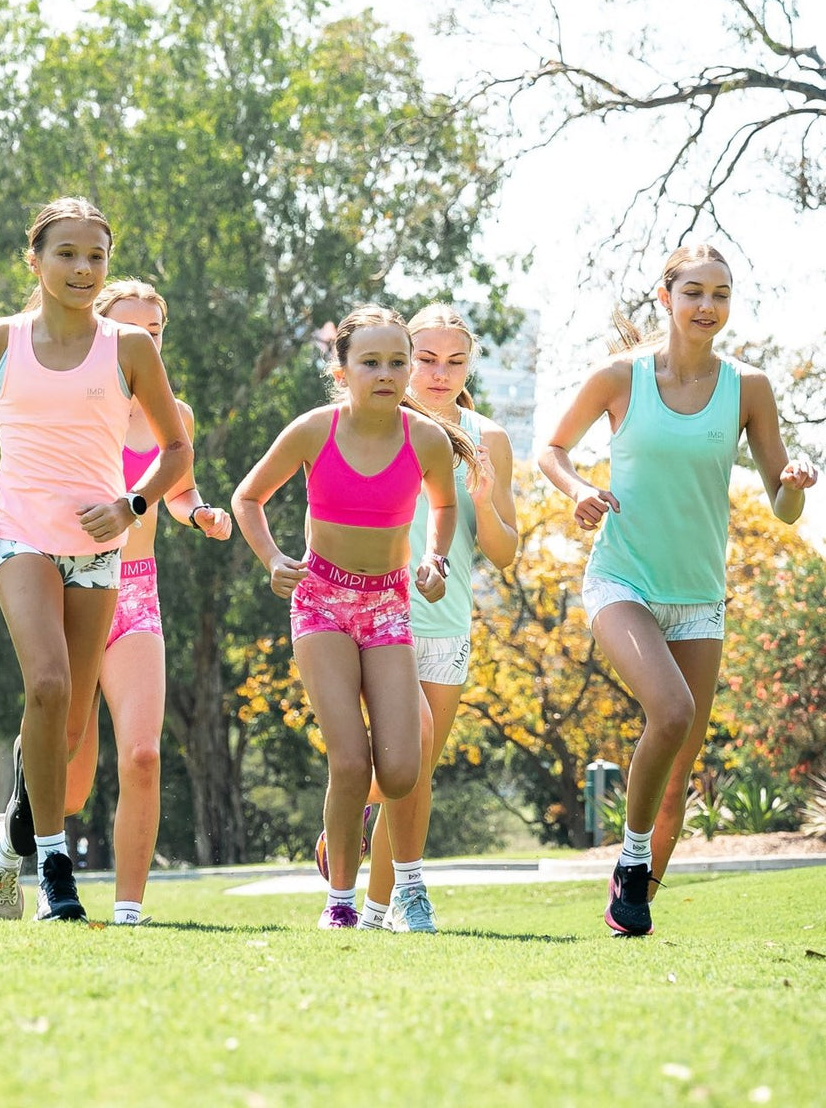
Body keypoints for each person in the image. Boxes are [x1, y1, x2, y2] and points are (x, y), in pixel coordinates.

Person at [538, 243, 818, 936]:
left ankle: (632, 906)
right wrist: (578, 490)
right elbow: (553, 448)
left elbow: (784, 510)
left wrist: (792, 486)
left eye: (720, 294)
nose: (708, 306)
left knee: (680, 762)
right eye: (693, 291)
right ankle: (631, 861)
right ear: (665, 297)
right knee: (670, 712)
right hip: (621, 576)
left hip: (698, 594)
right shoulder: (620, 377)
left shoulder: (748, 387)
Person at [0, 198, 192, 925]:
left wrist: (132, 507)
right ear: (35, 259)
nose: (83, 268)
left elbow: (177, 450)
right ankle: (55, 868)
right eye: (66, 253)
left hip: (99, 548)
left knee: (76, 728)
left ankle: (11, 833)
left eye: (96, 256)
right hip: (20, 532)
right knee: (49, 684)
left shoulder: (129, 347)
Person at [232, 305, 477, 928]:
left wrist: (435, 559)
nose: (388, 372)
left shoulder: (427, 440)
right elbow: (248, 496)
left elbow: (444, 506)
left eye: (399, 361)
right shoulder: (315, 430)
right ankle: (340, 902)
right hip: (322, 602)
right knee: (349, 761)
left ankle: (389, 873)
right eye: (371, 362)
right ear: (341, 371)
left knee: (399, 768)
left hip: (389, 605)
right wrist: (273, 559)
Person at [62, 280, 232, 926]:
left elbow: (179, 490)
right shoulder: (69, 403)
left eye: (155, 331)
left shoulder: (174, 414)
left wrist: (201, 514)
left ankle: (128, 912)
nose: (144, 341)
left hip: (136, 591)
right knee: (73, 782)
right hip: (70, 587)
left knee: (142, 753)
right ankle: (17, 828)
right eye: (132, 329)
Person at [355, 307, 518, 932]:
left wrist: (480, 488)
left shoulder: (489, 438)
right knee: (388, 762)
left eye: (455, 361)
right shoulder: (378, 424)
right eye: (426, 358)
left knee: (415, 774)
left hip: (448, 626)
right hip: (377, 618)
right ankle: (349, 816)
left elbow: (505, 554)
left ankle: (382, 908)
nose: (439, 373)